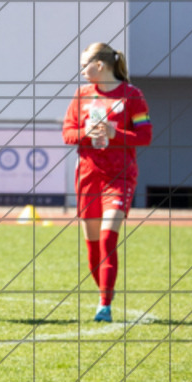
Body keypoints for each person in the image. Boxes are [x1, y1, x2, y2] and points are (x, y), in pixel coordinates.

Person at [62, 42, 152, 322]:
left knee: (107, 237)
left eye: (84, 65)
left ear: (99, 65)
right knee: (92, 249)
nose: (81, 71)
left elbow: (145, 137)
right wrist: (85, 132)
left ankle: (104, 306)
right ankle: (104, 293)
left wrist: (116, 133)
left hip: (120, 178)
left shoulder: (132, 96)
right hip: (89, 177)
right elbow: (67, 134)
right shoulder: (81, 95)